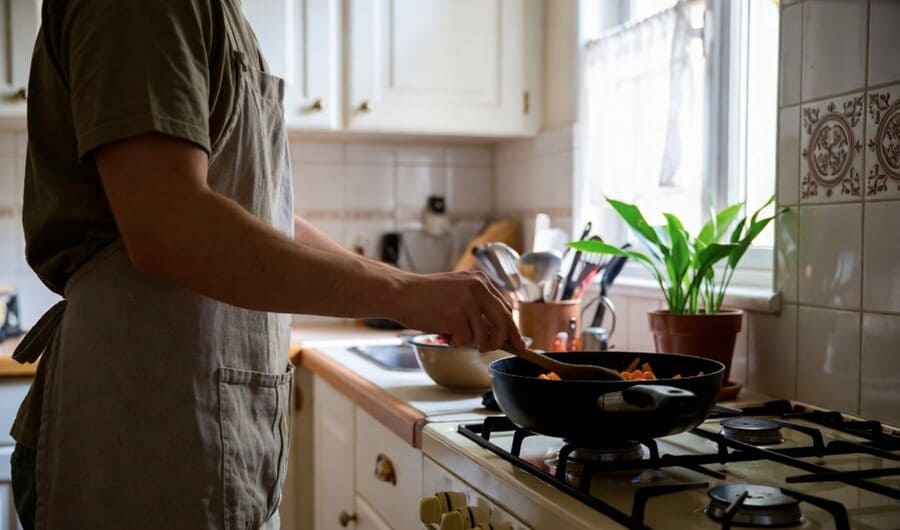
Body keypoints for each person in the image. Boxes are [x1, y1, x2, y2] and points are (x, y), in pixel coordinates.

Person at [9, 1, 525, 529]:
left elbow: (263, 218)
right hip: (140, 430)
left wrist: (411, 288)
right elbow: (170, 225)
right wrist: (399, 292)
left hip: (194, 431)